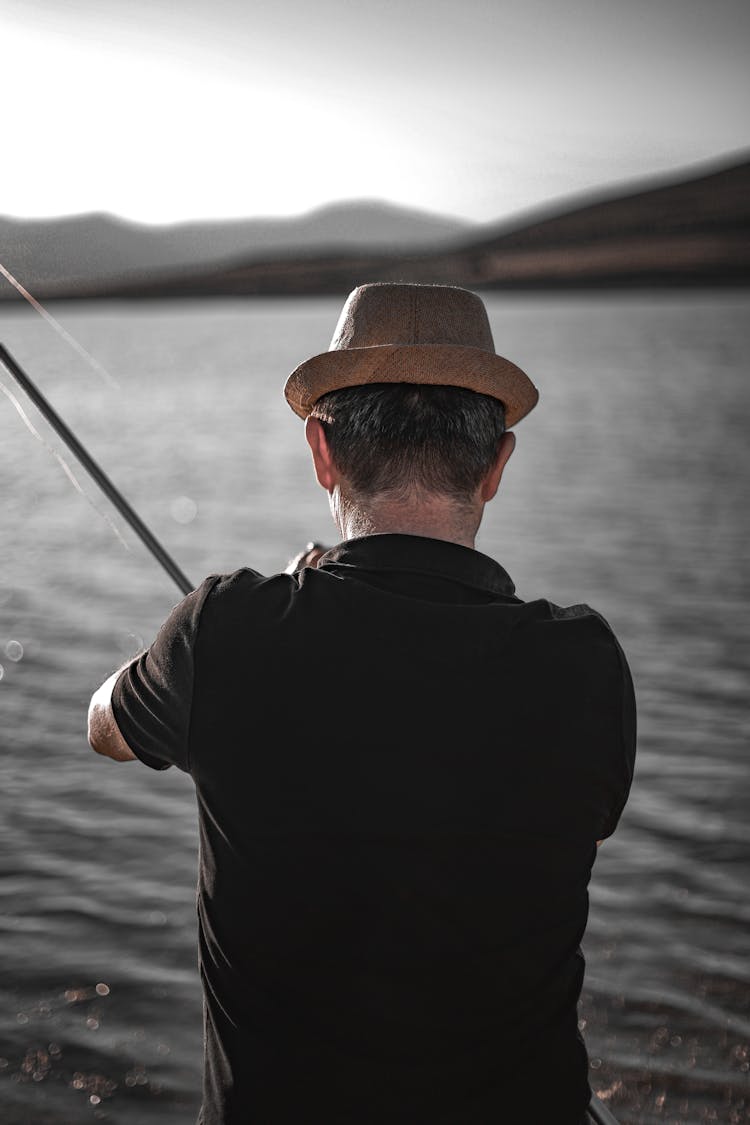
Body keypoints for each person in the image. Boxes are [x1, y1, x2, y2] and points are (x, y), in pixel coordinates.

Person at [88, 282, 636, 1125]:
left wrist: (220, 637)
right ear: (496, 467)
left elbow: (104, 729)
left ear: (321, 450)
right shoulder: (585, 663)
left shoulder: (226, 629)